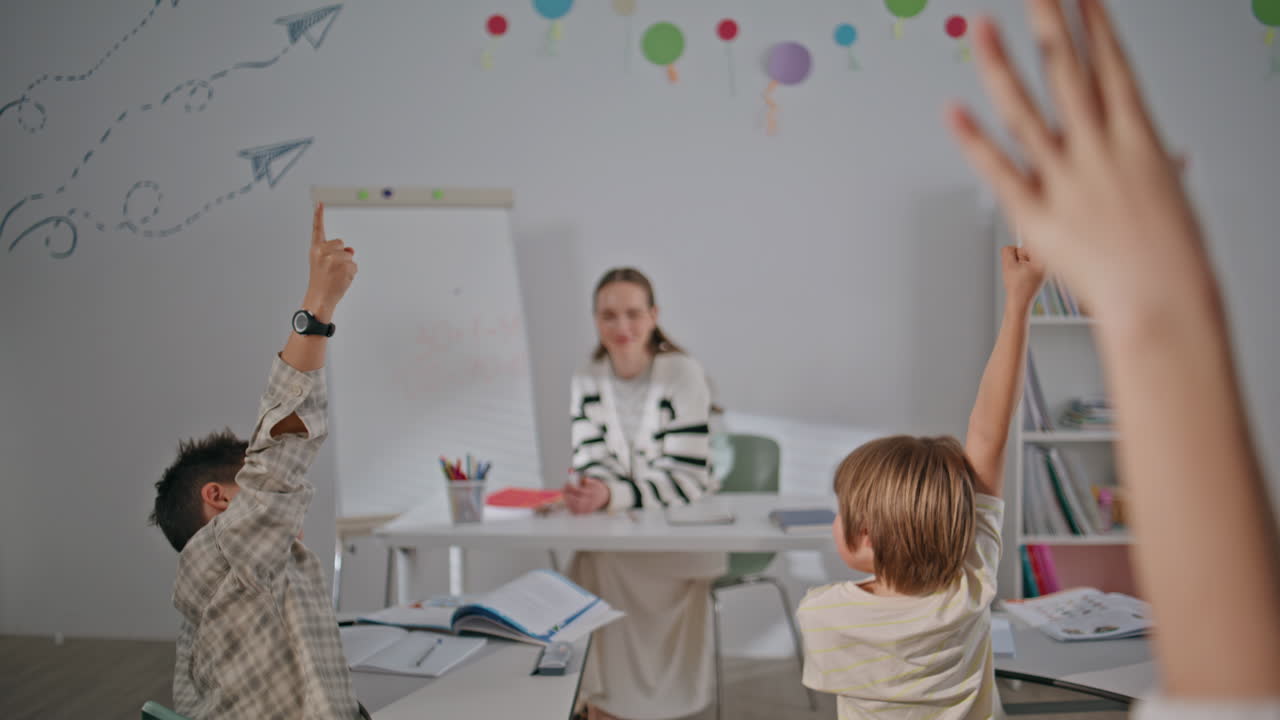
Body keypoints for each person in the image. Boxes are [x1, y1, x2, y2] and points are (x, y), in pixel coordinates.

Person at [947, 0, 1280, 717]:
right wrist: (1131, 307)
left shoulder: (828, 621)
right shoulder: (974, 582)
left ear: (855, 543)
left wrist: (1162, 313)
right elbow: (985, 441)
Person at [796, 245, 1042, 719]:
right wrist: (1019, 302)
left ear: (866, 535)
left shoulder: (822, 613)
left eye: (842, 509)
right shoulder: (970, 588)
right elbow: (990, 434)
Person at [148, 203, 369, 719]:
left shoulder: (210, 600)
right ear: (219, 498)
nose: (280, 505)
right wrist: (319, 305)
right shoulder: (227, 552)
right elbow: (282, 454)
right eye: (254, 485)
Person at [564, 267, 726, 720]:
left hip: (684, 539)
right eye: (609, 316)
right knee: (592, 556)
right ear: (595, 319)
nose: (622, 327)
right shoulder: (588, 375)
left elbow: (686, 478)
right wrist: (591, 489)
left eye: (633, 313)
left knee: (592, 560)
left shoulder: (681, 373)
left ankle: (605, 705)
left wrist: (610, 496)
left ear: (654, 315)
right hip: (624, 532)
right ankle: (604, 704)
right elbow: (592, 460)